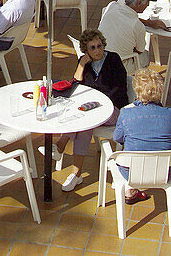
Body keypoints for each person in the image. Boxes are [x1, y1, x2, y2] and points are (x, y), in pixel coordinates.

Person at [53, 29, 129, 192]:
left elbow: (120, 88)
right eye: (92, 48)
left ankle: (61, 147)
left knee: (83, 121)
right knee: (84, 125)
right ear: (86, 50)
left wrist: (100, 102)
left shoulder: (113, 59)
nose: (97, 50)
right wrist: (81, 64)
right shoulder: (84, 62)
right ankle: (76, 174)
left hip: (113, 108)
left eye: (99, 46)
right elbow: (75, 85)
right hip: (90, 111)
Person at [112, 68, 171, 205]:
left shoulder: (126, 113)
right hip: (164, 172)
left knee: (128, 153)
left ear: (137, 91)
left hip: (132, 173)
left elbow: (117, 138)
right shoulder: (170, 114)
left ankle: (130, 190)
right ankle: (131, 191)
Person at [98, 0, 171, 65]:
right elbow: (139, 50)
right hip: (119, 66)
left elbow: (127, 18)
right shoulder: (138, 26)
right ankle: (139, 76)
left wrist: (148, 23)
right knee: (145, 55)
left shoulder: (112, 6)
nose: (148, 5)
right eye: (147, 2)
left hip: (99, 57)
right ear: (139, 3)